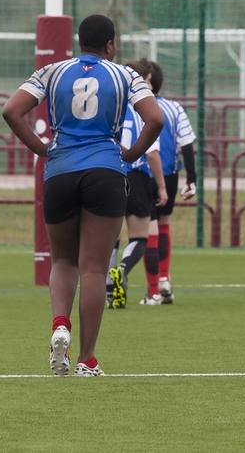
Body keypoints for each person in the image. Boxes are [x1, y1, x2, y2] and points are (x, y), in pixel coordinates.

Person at [2, 14, 163, 377]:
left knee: (62, 261)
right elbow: (155, 119)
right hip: (105, 170)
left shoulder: (53, 71)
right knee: (94, 266)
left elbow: (11, 110)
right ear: (110, 44)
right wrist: (132, 153)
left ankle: (61, 324)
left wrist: (41, 148)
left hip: (60, 171)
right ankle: (87, 360)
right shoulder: (126, 75)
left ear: (79, 41)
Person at [107, 61, 168, 306]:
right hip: (136, 175)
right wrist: (161, 186)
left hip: (109, 173)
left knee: (109, 237)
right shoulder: (143, 109)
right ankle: (121, 269)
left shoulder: (110, 105)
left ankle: (110, 291)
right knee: (140, 237)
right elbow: (152, 152)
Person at [141, 60, 198, 304]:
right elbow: (187, 144)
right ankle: (164, 279)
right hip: (171, 175)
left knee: (149, 231)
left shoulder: (134, 108)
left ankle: (153, 289)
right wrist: (192, 179)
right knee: (164, 224)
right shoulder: (175, 108)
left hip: (144, 174)